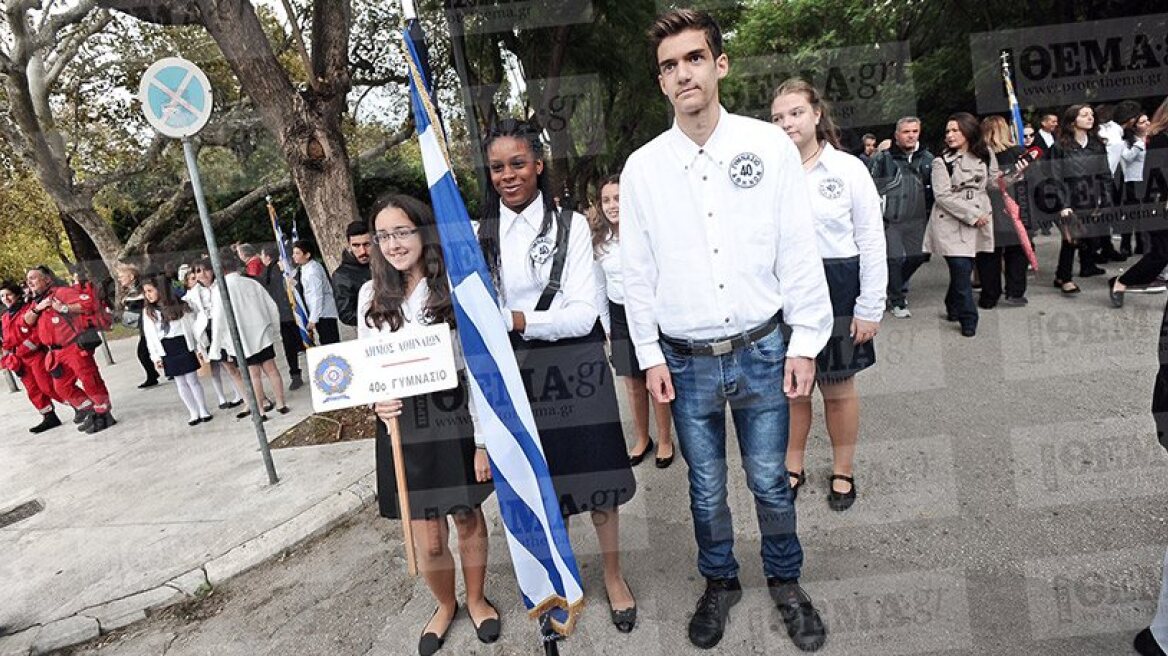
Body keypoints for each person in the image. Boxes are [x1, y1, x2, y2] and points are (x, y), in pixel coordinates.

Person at [622, 10, 833, 651]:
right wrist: (649, 354)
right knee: (706, 486)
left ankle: (785, 581)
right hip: (685, 362)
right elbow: (637, 272)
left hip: (763, 350)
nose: (682, 73)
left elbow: (798, 248)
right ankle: (720, 581)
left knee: (770, 479)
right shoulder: (643, 169)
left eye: (693, 58)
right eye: (669, 66)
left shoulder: (767, 146)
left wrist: (806, 341)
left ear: (719, 64)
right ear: (661, 82)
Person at [478, 118, 639, 633]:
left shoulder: (570, 225)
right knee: (548, 484)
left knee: (599, 483)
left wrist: (518, 320)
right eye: (497, 167)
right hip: (518, 374)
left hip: (577, 366)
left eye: (518, 163)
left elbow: (583, 314)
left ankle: (613, 575)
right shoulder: (481, 236)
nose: (508, 175)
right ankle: (562, 577)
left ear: (538, 164)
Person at [360, 193, 498, 656]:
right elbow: (368, 366)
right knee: (429, 536)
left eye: (402, 232)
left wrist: (481, 440)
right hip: (401, 424)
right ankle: (444, 604)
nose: (394, 244)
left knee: (466, 515)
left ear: (423, 232)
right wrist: (376, 401)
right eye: (384, 236)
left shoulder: (454, 287)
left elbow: (476, 367)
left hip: (453, 414)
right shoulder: (370, 294)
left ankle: (476, 599)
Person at [771, 78, 886, 512]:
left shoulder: (848, 169)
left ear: (817, 114)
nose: (787, 123)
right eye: (777, 118)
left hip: (839, 285)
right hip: (786, 290)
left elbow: (871, 239)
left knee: (837, 389)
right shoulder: (770, 175)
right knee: (793, 389)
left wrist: (870, 305)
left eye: (796, 113)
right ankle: (792, 466)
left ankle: (842, 469)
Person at [589, 173, 676, 468]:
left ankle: (664, 439)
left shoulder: (646, 234)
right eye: (606, 200)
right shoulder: (599, 242)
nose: (612, 205)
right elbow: (599, 287)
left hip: (650, 314)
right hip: (619, 316)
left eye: (617, 198)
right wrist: (607, 327)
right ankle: (642, 438)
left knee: (655, 378)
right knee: (632, 383)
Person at [923, 112, 996, 338]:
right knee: (962, 269)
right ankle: (969, 319)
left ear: (968, 131)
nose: (950, 135)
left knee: (964, 270)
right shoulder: (941, 162)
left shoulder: (985, 155)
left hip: (979, 217)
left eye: (955, 130)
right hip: (950, 222)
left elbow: (994, 183)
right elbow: (942, 196)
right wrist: (973, 215)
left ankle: (952, 303)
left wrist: (1016, 174)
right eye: (948, 131)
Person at [24, 266, 115, 433]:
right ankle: (91, 410)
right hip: (55, 353)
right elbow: (27, 321)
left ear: (47, 280)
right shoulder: (36, 302)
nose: (29, 282)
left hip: (73, 347)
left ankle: (104, 414)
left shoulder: (61, 293)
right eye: (28, 279)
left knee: (90, 381)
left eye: (33, 278)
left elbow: (88, 304)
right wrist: (38, 308)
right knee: (62, 387)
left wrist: (64, 308)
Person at [868, 116, 934, 318]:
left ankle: (892, 285)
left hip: (918, 219)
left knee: (918, 257)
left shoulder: (928, 159)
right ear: (896, 135)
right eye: (906, 132)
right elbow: (870, 187)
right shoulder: (883, 159)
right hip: (891, 220)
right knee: (894, 259)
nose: (911, 135)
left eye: (914, 131)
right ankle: (897, 300)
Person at [208, 251, 288, 419]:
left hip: (241, 338)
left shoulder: (219, 290)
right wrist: (275, 330)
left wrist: (216, 346)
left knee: (253, 376)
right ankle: (281, 403)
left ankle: (260, 411)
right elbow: (271, 307)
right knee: (272, 370)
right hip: (261, 332)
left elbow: (218, 319)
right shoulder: (251, 283)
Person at [1049, 104, 1110, 293]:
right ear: (1072, 121)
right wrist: (1063, 204)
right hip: (1068, 199)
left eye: (1091, 114)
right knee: (1071, 239)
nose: (1090, 117)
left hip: (1090, 198)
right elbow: (1055, 177)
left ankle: (1083, 267)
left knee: (1089, 236)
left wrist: (1105, 200)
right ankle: (1065, 278)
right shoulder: (1059, 147)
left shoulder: (1097, 145)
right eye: (1084, 115)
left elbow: (1105, 174)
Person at [1113, 102, 1168, 305]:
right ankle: (1122, 282)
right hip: (1159, 202)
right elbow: (1158, 173)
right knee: (1161, 253)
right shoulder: (1159, 139)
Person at [142, 276, 213, 426]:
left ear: (160, 290)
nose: (148, 295)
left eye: (150, 291)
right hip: (166, 347)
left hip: (182, 343)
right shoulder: (149, 312)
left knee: (192, 380)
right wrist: (155, 357)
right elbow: (150, 336)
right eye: (146, 292)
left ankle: (203, 409)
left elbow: (193, 326)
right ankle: (193, 412)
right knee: (180, 382)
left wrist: (199, 347)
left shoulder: (181, 306)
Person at [978, 115, 1032, 308]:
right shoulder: (1019, 153)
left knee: (989, 254)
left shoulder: (980, 156)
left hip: (989, 208)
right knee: (1017, 252)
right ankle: (1015, 292)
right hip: (1016, 208)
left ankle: (989, 295)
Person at [1, 281, 62, 433]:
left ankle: (79, 407)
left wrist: (21, 350)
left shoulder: (29, 309)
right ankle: (49, 416)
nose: (5, 298)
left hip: (36, 356)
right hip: (19, 361)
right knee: (33, 390)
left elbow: (37, 334)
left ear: (17, 295)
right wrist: (9, 360)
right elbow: (7, 341)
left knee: (47, 386)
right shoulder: (5, 317)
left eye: (8, 294)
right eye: (2, 296)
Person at [187, 260, 246, 410]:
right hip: (209, 332)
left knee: (242, 365)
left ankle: (258, 397)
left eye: (206, 270)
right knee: (228, 368)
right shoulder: (194, 293)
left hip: (226, 328)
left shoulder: (221, 285)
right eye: (198, 271)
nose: (203, 274)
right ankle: (247, 400)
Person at [258, 245, 305, 390]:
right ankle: (300, 372)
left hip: (285, 314)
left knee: (291, 347)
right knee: (301, 343)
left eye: (262, 255)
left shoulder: (273, 270)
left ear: (267, 256)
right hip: (291, 312)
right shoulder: (278, 269)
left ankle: (295, 375)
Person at [117, 263, 159, 389]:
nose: (119, 279)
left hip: (151, 323)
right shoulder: (130, 291)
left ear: (131, 277)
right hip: (144, 325)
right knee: (144, 351)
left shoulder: (140, 289)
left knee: (144, 352)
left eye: (121, 276)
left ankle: (153, 375)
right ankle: (153, 374)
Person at [291, 240, 340, 345]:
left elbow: (317, 295)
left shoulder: (313, 270)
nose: (293, 256)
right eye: (294, 253)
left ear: (307, 255)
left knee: (330, 343)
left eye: (297, 253)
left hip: (324, 314)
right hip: (319, 314)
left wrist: (313, 318)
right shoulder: (305, 268)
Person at [333, 221, 373, 327]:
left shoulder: (387, 262)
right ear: (349, 246)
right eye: (356, 245)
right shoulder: (342, 275)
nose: (362, 251)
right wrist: (379, 316)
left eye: (367, 244)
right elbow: (346, 315)